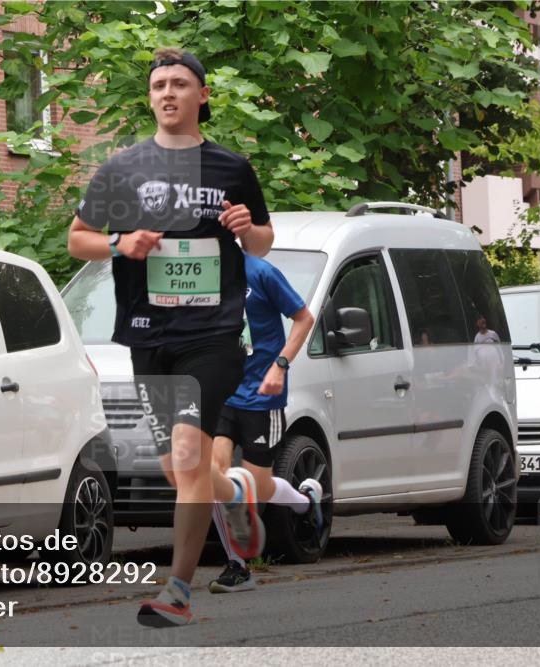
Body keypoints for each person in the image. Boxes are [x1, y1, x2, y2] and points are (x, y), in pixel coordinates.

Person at [68, 46, 274, 627]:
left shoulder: (231, 168)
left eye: (180, 83)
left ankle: (178, 590)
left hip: (211, 335)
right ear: (150, 96)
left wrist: (245, 227)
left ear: (201, 96)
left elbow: (262, 241)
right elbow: (77, 238)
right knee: (178, 470)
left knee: (187, 454)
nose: (168, 93)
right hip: (147, 335)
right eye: (159, 84)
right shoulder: (123, 170)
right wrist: (118, 244)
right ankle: (234, 498)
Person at [207, 252, 321, 593]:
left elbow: (303, 319)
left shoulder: (261, 273)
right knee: (213, 476)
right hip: (222, 393)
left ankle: (305, 501)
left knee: (260, 486)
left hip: (262, 395)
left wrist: (280, 364)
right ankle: (237, 566)